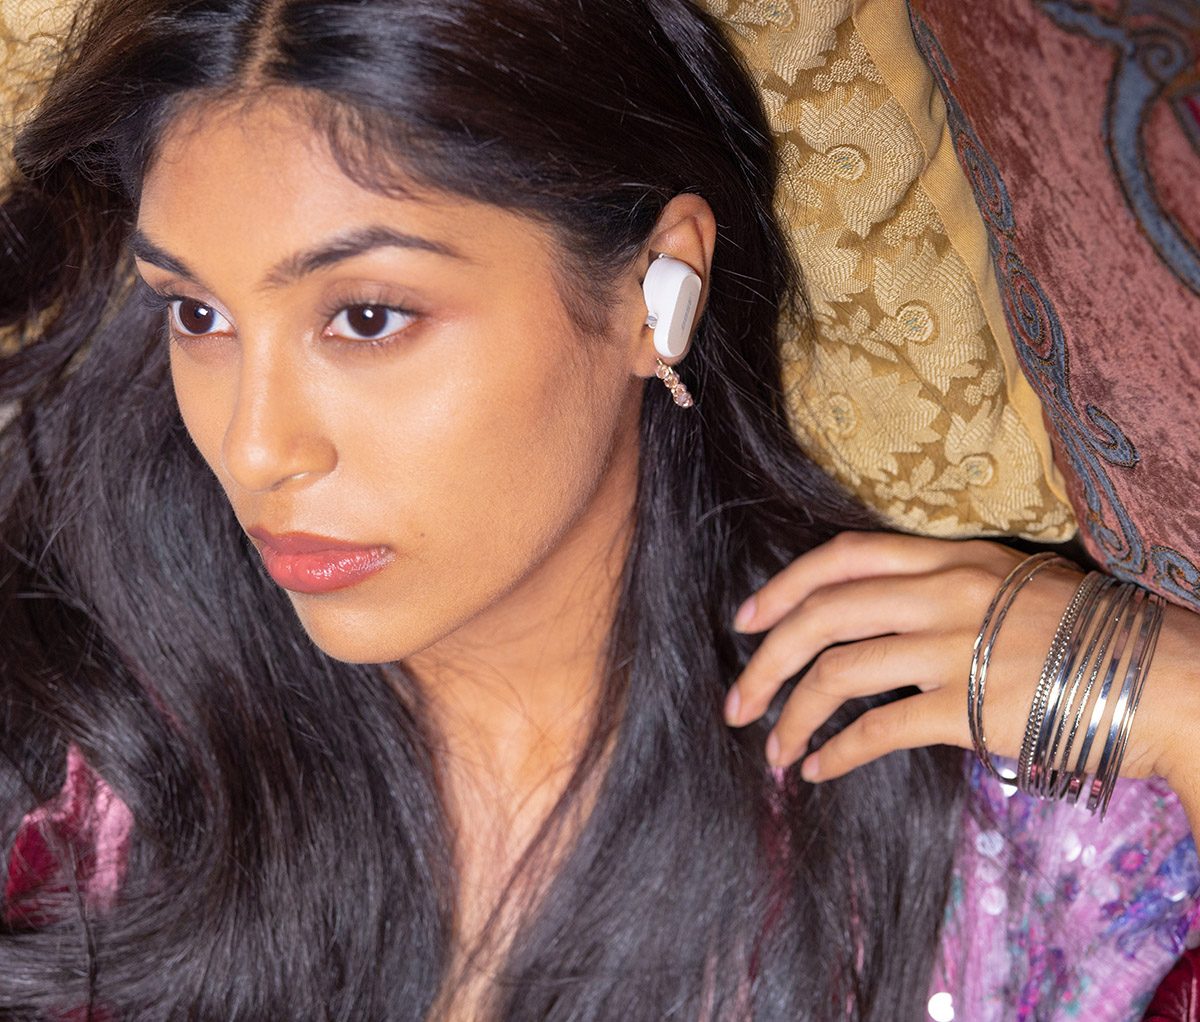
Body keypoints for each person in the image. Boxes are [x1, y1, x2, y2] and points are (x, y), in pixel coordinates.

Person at [0, 1, 1198, 1019]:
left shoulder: (1002, 822)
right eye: (198, 315)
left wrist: (1187, 705)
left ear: (653, 290)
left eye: (366, 316)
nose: (256, 447)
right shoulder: (85, 746)